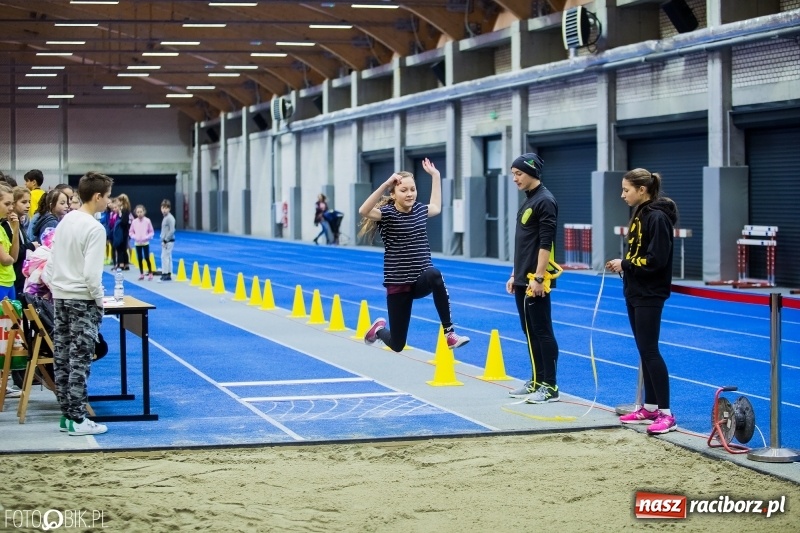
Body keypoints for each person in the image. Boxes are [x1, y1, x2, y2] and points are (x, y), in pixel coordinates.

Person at [357, 159, 469, 352]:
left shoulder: (419, 210)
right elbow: (364, 210)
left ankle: (449, 333)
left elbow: (436, 206)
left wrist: (436, 176)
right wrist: (385, 184)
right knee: (398, 345)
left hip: (419, 280)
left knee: (434, 274)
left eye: (413, 189)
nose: (410, 194)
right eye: (403, 190)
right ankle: (378, 330)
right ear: (393, 193)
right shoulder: (387, 213)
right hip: (398, 284)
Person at [606, 168, 679, 435]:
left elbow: (656, 259)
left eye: (626, 189)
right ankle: (649, 407)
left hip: (650, 292)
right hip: (635, 290)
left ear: (642, 189)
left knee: (650, 350)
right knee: (643, 350)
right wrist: (625, 268)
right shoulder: (640, 213)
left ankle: (667, 414)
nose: (622, 194)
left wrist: (624, 263)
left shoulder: (657, 217)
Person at [44, 171, 113, 436]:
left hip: (60, 297)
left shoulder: (66, 220)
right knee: (80, 360)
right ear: (97, 196)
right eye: (107, 197)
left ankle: (66, 415)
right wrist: (99, 301)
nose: (108, 202)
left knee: (61, 358)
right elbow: (92, 275)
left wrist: (58, 288)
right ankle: (78, 419)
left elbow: (51, 263)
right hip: (83, 300)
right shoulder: (95, 228)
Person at [505, 153, 561, 404]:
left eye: (518, 173)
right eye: (513, 174)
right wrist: (515, 274)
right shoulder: (529, 200)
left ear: (532, 173)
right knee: (529, 332)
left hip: (535, 279)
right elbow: (525, 243)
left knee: (542, 331)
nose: (514, 178)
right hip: (523, 278)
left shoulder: (545, 201)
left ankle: (550, 386)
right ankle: (537, 380)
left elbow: (544, 242)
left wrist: (538, 277)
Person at [0, 184, 20, 301]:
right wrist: (10, 259)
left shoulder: (2, 228)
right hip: (1, 283)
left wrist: (15, 230)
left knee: (13, 319)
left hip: (9, 281)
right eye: (7, 204)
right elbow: (6, 259)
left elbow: (14, 257)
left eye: (12, 204)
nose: (11, 208)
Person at [129, 204, 154, 281]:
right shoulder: (134, 222)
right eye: (138, 212)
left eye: (141, 212)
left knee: (147, 258)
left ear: (144, 212)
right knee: (139, 258)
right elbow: (131, 232)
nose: (139, 213)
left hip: (145, 243)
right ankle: (141, 273)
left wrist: (147, 237)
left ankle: (150, 272)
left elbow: (151, 232)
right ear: (136, 213)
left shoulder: (147, 221)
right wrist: (134, 237)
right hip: (137, 243)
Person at [113, 193, 132, 270]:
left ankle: (121, 264)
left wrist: (119, 222)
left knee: (120, 247)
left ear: (122, 201)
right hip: (124, 230)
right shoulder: (124, 209)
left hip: (123, 231)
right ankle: (125, 264)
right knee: (123, 248)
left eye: (119, 201)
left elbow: (124, 221)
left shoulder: (124, 210)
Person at [159, 199, 176, 282]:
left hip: (168, 241)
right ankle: (167, 273)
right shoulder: (165, 218)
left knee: (165, 257)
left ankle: (166, 273)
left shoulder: (170, 218)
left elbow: (172, 230)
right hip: (166, 240)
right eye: (163, 208)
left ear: (169, 209)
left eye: (166, 208)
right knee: (167, 257)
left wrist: (165, 240)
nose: (164, 210)